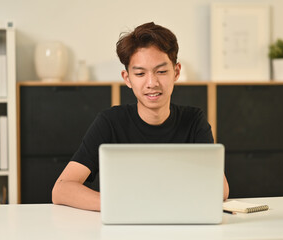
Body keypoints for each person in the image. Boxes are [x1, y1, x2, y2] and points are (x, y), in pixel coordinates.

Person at [52, 22, 229, 211]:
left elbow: (221, 188)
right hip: (123, 225)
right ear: (127, 78)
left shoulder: (194, 121)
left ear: (176, 72)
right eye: (140, 73)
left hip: (177, 222)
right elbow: (61, 189)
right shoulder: (110, 122)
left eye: (161, 72)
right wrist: (123, 205)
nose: (151, 83)